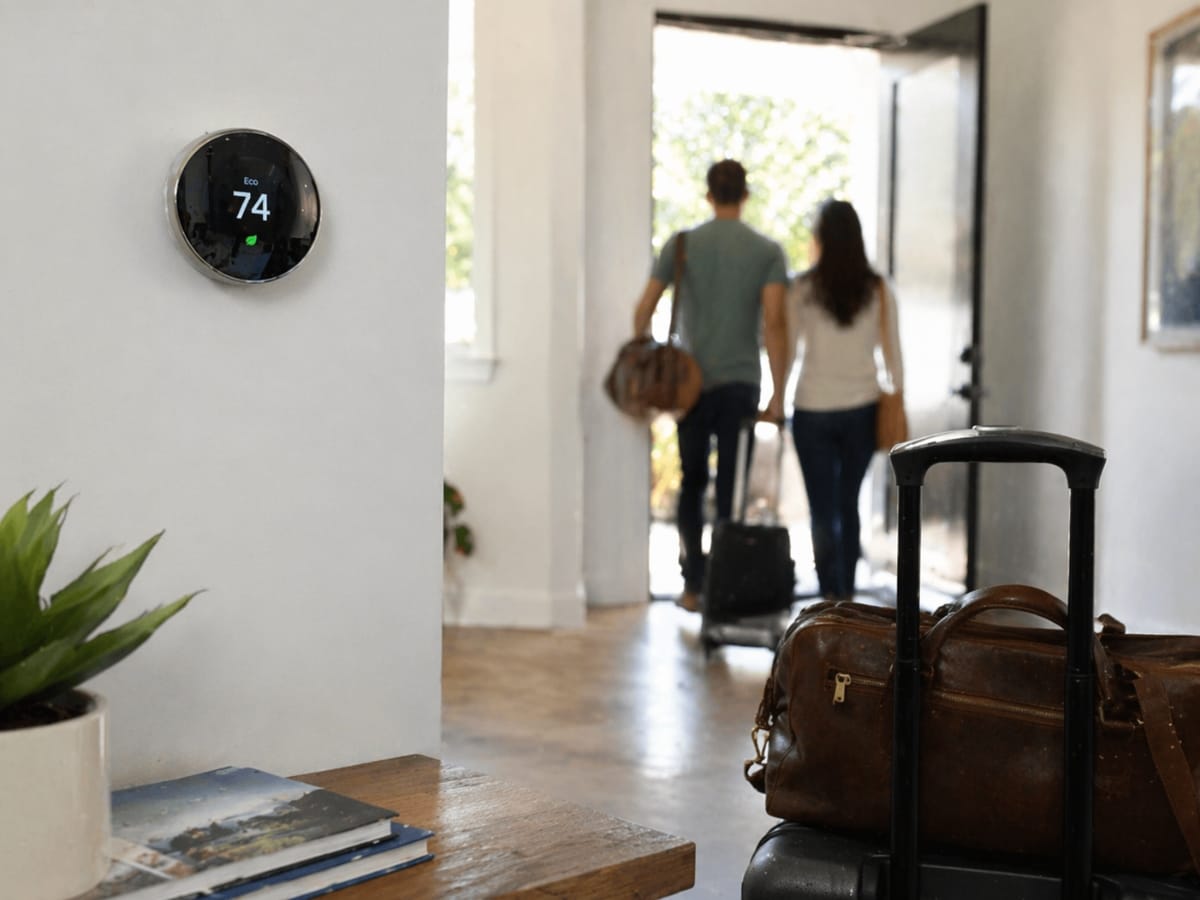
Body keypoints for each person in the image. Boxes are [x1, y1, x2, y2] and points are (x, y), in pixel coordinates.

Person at [632, 159, 789, 612]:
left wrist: (649, 357)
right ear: (745, 195)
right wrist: (779, 392)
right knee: (728, 490)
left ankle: (693, 586)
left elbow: (642, 311)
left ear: (708, 195)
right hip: (741, 382)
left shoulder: (681, 245)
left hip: (689, 384)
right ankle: (724, 587)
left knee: (692, 480)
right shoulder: (767, 251)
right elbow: (775, 323)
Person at [787, 198, 903, 602]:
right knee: (848, 503)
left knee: (821, 510)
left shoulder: (802, 288)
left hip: (812, 408)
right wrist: (897, 399)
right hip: (861, 409)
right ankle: (848, 596)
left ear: (820, 238)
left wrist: (775, 394)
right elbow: (893, 353)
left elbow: (787, 348)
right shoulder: (876, 288)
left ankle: (828, 597)